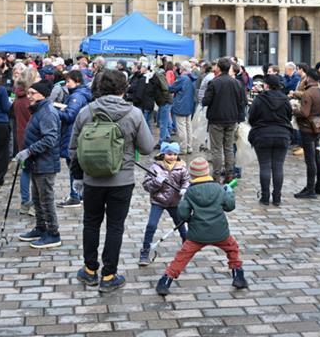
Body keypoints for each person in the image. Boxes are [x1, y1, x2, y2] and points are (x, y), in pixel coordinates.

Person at [70, 70, 155, 293]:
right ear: (124, 88)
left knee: (91, 223)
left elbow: (73, 149)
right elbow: (147, 147)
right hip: (122, 179)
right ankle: (109, 275)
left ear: (99, 87)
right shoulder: (134, 114)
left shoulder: (86, 111)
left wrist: (78, 176)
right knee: (115, 226)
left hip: (92, 179)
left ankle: (89, 270)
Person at [154, 157, 247, 295]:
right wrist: (229, 193)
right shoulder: (218, 188)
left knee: (183, 256)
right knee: (232, 249)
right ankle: (238, 276)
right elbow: (229, 206)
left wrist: (187, 211)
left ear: (192, 175)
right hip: (220, 232)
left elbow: (183, 214)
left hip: (197, 235)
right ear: (207, 172)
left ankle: (165, 281)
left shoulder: (190, 192)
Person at [16, 81, 62, 249]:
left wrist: (29, 151)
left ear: (42, 94)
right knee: (37, 199)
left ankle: (53, 233)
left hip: (45, 163)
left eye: (32, 93)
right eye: (28, 93)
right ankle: (41, 228)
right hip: (36, 162)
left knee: (46, 199)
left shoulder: (47, 112)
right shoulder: (38, 110)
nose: (29, 96)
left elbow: (50, 139)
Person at [139, 142, 190, 265]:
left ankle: (187, 247)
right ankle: (145, 251)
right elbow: (146, 185)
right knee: (151, 225)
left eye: (175, 154)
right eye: (169, 154)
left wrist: (185, 188)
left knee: (181, 224)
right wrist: (157, 182)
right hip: (158, 201)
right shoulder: (155, 168)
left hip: (175, 202)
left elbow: (186, 181)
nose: (172, 157)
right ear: (163, 154)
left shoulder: (182, 168)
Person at [248, 74, 293, 206]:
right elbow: (289, 117)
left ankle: (265, 196)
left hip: (262, 134)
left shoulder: (260, 99)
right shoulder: (285, 99)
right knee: (278, 166)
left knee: (265, 166)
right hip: (282, 134)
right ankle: (277, 197)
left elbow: (252, 117)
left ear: (266, 85)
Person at [202, 58, 246, 183]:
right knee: (229, 148)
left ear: (219, 68)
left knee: (216, 149)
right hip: (231, 119)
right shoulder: (236, 83)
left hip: (216, 119)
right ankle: (229, 174)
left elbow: (205, 101)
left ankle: (216, 176)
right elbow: (242, 102)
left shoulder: (214, 82)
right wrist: (239, 118)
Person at [57, 70, 92, 208]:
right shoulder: (82, 93)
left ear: (77, 81)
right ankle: (80, 194)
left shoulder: (76, 96)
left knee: (73, 166)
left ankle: (75, 195)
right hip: (77, 133)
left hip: (72, 134)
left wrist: (56, 111)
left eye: (68, 81)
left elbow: (70, 115)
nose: (66, 84)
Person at [293, 67, 320, 199]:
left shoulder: (308, 93)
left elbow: (304, 113)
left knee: (310, 159)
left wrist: (294, 110)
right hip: (318, 126)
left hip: (308, 128)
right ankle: (319, 186)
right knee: (317, 157)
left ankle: (310, 189)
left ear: (308, 78)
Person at [10, 76, 34, 215]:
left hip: (21, 136)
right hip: (30, 137)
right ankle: (33, 204)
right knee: (34, 172)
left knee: (25, 170)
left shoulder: (18, 99)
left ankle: (25, 202)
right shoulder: (27, 101)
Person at [169, 61, 196, 155]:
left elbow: (171, 88)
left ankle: (183, 148)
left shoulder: (182, 78)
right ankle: (189, 146)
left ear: (182, 69)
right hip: (189, 105)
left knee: (182, 128)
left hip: (181, 106)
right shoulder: (191, 78)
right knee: (188, 127)